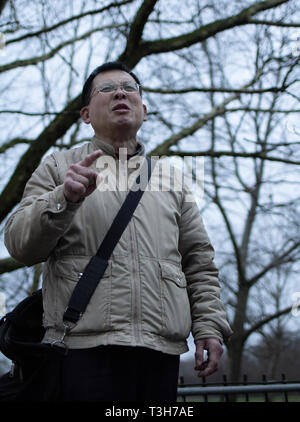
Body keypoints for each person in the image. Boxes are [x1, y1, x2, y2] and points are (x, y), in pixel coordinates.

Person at [4, 61, 232, 402]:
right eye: (107, 89)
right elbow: (19, 244)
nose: (120, 93)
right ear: (85, 114)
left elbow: (198, 262)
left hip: (160, 352)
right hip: (82, 350)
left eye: (129, 88)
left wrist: (210, 326)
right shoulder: (58, 167)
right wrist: (63, 198)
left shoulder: (172, 180)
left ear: (144, 110)